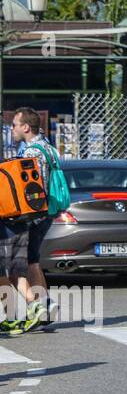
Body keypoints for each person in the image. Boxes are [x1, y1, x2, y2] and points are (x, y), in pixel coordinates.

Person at [9, 108, 58, 330]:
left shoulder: (31, 152)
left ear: (26, 127)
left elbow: (28, 187)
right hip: (48, 212)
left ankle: (40, 306)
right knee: (33, 260)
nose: (12, 129)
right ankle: (45, 305)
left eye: (15, 125)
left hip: (34, 215)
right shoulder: (49, 147)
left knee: (27, 263)